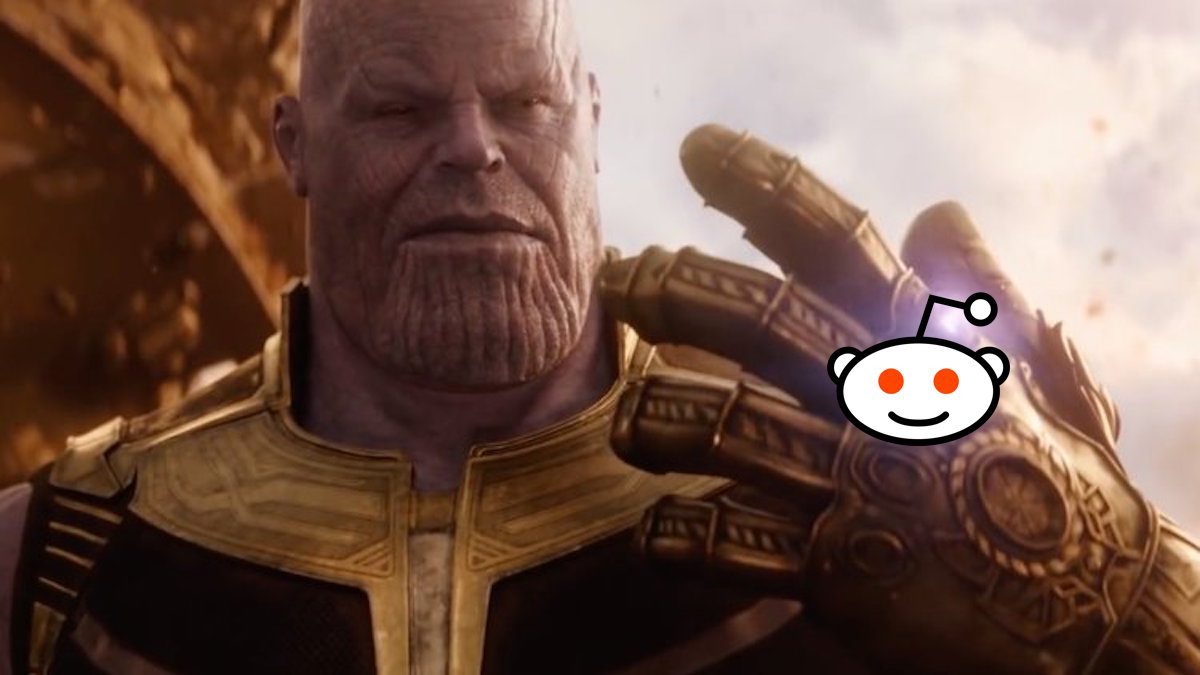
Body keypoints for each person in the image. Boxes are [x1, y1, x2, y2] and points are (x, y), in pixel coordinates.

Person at [2, 0, 1198, 673]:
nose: (473, 147)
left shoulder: (851, 505)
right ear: (292, 143)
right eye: (400, 105)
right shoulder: (56, 552)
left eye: (524, 101)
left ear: (591, 120)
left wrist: (1128, 610)